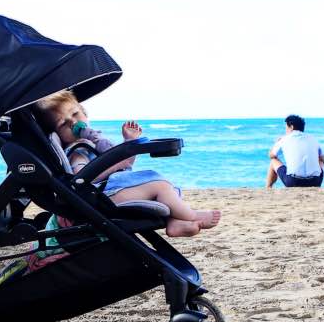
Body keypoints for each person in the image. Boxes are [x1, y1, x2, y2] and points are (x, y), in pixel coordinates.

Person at [33, 90, 220, 237]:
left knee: (171, 189)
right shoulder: (78, 152)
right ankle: (192, 216)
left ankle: (175, 223)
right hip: (104, 199)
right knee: (160, 186)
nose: (74, 123)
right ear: (56, 134)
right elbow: (79, 178)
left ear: (84, 112)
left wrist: (126, 145)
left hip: (111, 193)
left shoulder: (92, 144)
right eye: (64, 124)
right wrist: (114, 163)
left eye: (75, 114)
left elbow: (125, 164)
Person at [266, 115, 324, 188]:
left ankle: (268, 188)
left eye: (286, 127)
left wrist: (276, 143)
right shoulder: (313, 138)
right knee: (320, 161)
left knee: (273, 161)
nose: (285, 130)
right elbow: (323, 159)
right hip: (316, 182)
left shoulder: (284, 139)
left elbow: (271, 155)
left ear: (291, 127)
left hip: (294, 181)